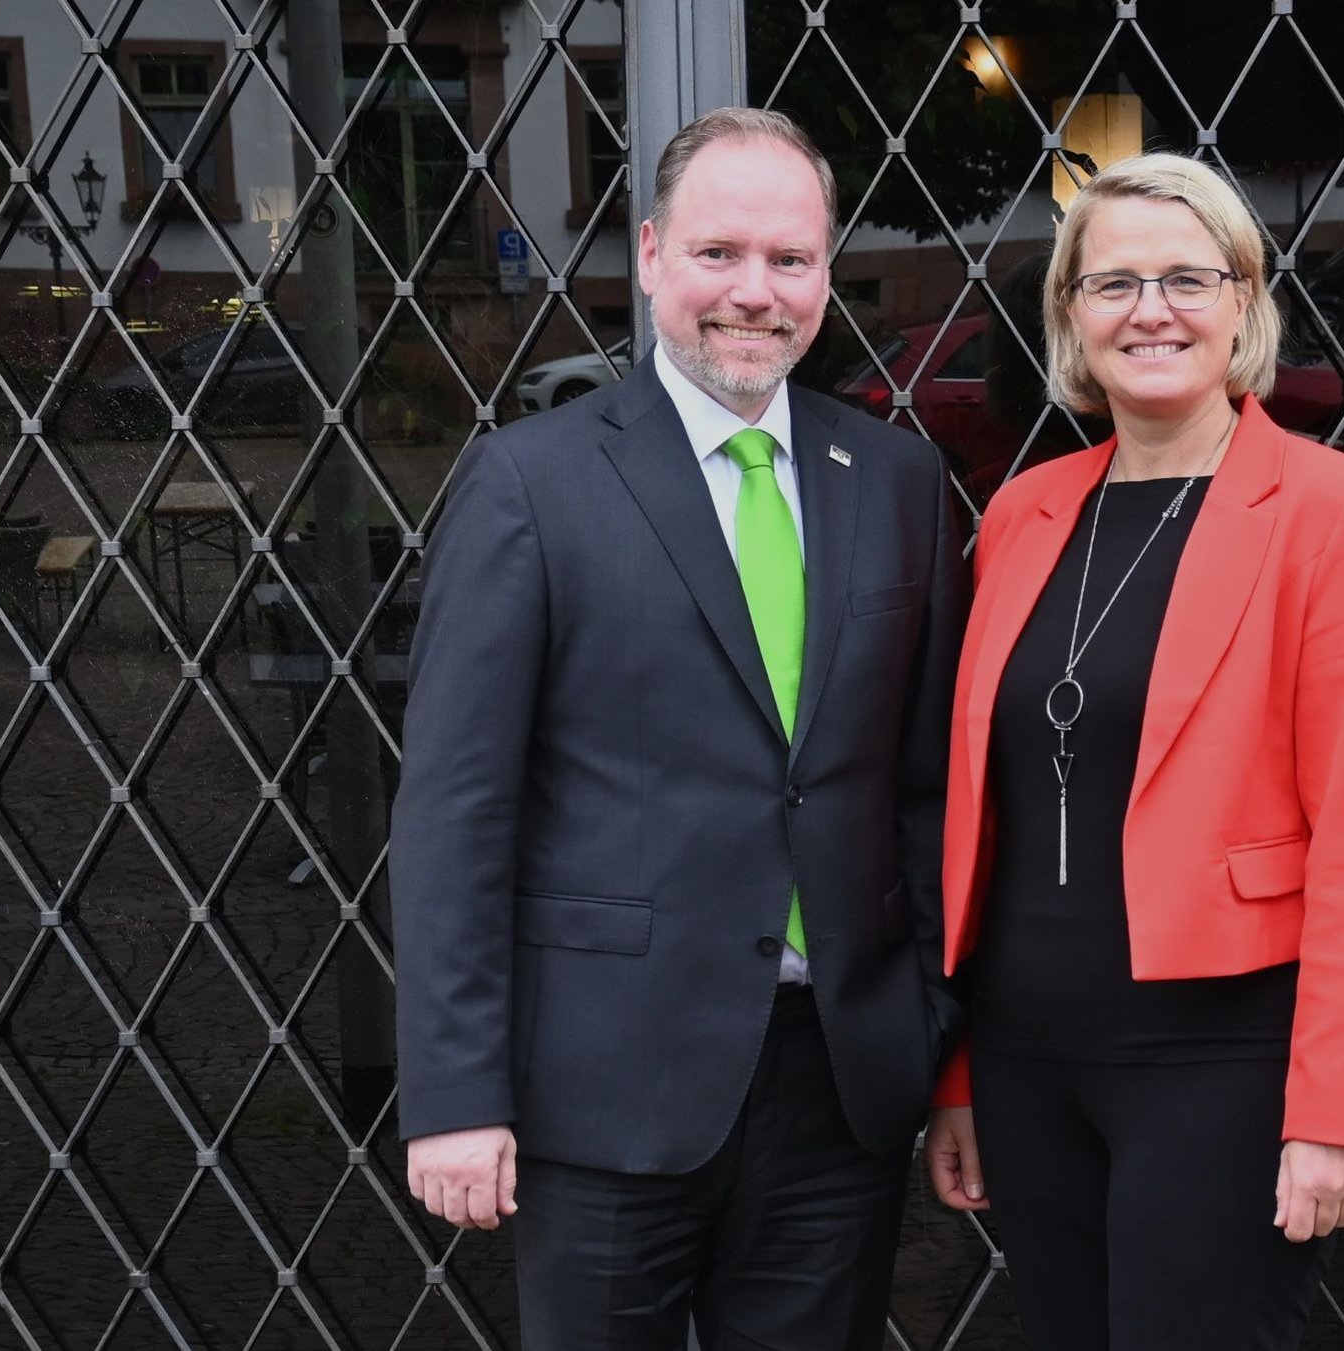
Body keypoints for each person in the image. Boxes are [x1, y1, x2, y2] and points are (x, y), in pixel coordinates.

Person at [391, 107, 967, 1351]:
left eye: (790, 260)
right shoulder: (529, 483)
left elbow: (917, 785)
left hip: (839, 1088)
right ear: (650, 256)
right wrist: (451, 1093)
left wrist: (924, 1021)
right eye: (719, 254)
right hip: (605, 1086)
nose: (754, 293)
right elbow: (455, 812)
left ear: (825, 273)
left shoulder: (902, 482)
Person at [919, 152, 1344, 1350]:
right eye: (1113, 285)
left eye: (1188, 278)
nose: (1151, 311)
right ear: (1070, 321)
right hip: (1031, 1059)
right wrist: (960, 1075)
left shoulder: (1333, 512)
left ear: (1244, 301)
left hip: (1222, 1062)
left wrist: (1342, 1109)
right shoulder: (1024, 512)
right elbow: (979, 815)